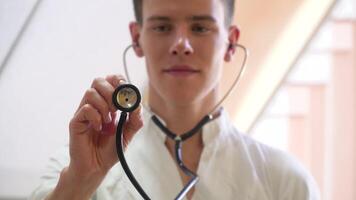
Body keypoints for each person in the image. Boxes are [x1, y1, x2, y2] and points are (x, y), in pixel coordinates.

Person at [30, 0, 320, 199]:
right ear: (137, 38)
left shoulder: (287, 182)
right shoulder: (75, 169)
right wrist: (81, 183)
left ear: (230, 43)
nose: (181, 44)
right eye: (162, 27)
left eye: (200, 27)